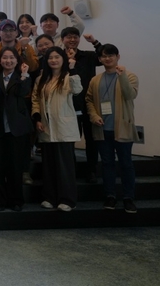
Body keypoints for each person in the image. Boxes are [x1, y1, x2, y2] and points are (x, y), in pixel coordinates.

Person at [86, 44, 140, 213]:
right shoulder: (95, 80)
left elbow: (130, 95)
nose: (107, 58)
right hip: (102, 129)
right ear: (100, 59)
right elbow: (89, 100)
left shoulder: (130, 76)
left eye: (111, 55)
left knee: (126, 164)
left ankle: (128, 197)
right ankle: (110, 196)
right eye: (104, 56)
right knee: (107, 164)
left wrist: (122, 76)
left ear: (118, 57)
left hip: (122, 128)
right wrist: (94, 116)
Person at [32, 47, 82, 212]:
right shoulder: (41, 79)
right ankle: (50, 197)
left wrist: (73, 69)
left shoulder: (68, 76)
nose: (53, 60)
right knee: (49, 166)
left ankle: (68, 199)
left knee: (65, 167)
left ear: (63, 59)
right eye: (50, 58)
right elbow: (35, 99)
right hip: (46, 127)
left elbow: (77, 90)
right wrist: (37, 118)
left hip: (64, 127)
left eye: (57, 57)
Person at [0, 48, 32, 211]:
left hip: (17, 128)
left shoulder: (23, 77)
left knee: (15, 166)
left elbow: (22, 92)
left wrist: (24, 75)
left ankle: (16, 200)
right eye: (5, 58)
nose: (8, 61)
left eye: (11, 58)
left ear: (17, 60)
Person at [61, 27, 103, 183]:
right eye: (68, 37)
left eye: (75, 37)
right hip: (67, 104)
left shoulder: (88, 56)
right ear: (62, 40)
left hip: (88, 103)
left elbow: (103, 56)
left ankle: (92, 170)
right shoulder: (58, 57)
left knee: (92, 139)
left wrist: (95, 42)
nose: (72, 40)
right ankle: (70, 170)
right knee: (69, 139)